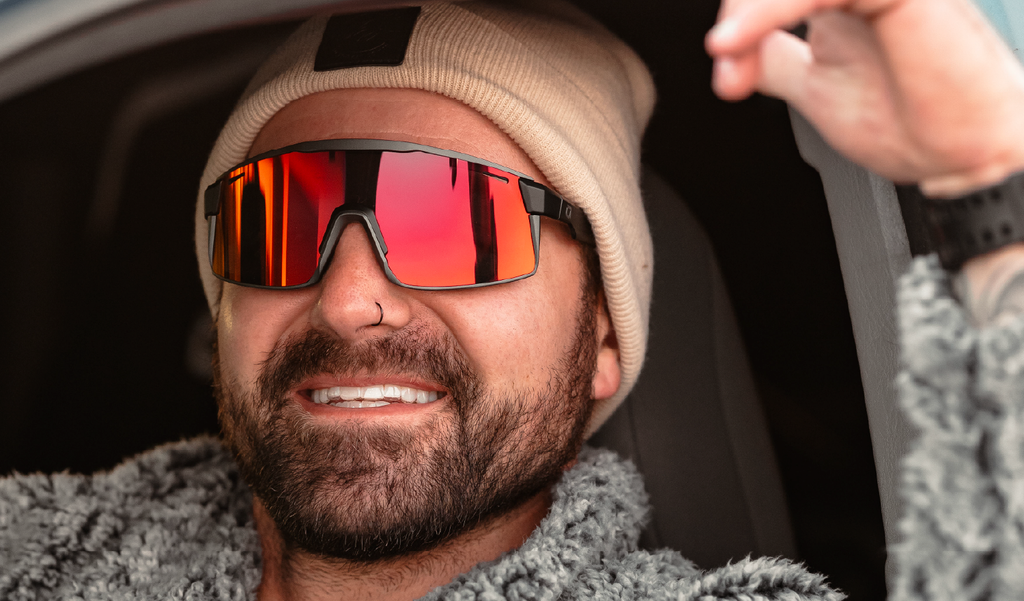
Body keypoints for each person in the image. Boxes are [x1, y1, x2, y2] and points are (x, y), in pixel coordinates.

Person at [2, 0, 1023, 600]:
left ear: (603, 339)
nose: (348, 297)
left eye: (456, 217)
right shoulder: (40, 549)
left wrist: (988, 193)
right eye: (278, 221)